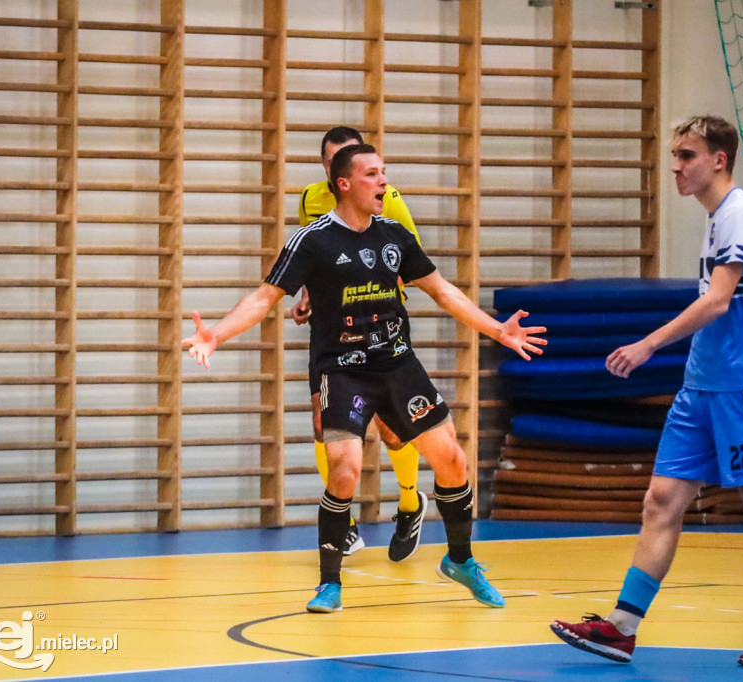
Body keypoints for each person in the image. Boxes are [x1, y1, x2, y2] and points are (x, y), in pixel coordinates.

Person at [183, 143, 546, 614]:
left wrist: (497, 328)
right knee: (346, 469)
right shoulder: (312, 241)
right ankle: (329, 583)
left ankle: (460, 561)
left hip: (398, 366)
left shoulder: (394, 235)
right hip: (344, 370)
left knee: (453, 461)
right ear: (345, 184)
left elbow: (442, 290)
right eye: (374, 175)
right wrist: (217, 335)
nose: (384, 184)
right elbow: (263, 298)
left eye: (385, 174)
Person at [549, 115, 743, 668]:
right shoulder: (718, 219)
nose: (674, 166)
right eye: (674, 155)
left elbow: (721, 301)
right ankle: (621, 627)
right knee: (662, 500)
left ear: (718, 159)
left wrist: (649, 344)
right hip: (702, 386)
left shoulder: (740, 214)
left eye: (686, 155)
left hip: (738, 390)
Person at [294, 126, 424, 562]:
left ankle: (409, 504)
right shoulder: (310, 200)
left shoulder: (388, 199)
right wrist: (310, 295)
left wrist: (372, 287)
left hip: (381, 327)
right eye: (335, 162)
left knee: (390, 427)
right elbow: (317, 258)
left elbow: (409, 257)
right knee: (322, 421)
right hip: (331, 330)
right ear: (328, 168)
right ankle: (343, 520)